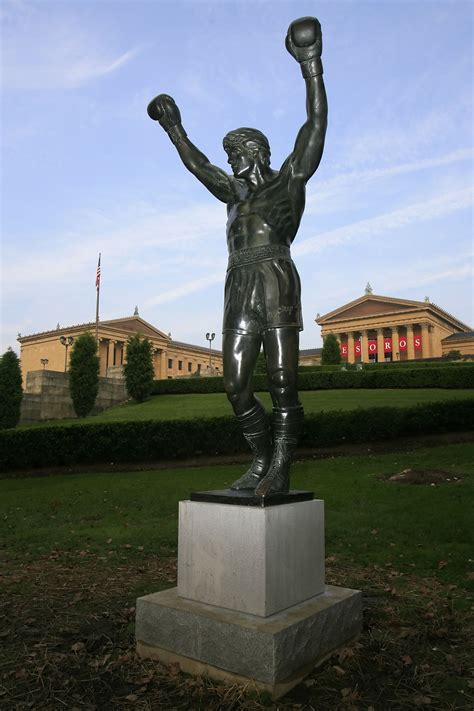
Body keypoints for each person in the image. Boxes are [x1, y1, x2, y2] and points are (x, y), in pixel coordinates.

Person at [147, 16, 327, 496]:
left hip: (275, 274)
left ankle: (282, 464)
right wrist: (173, 126)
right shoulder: (233, 194)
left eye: (234, 153)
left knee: (284, 380)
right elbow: (196, 163)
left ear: (254, 150)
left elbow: (314, 126)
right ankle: (260, 457)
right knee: (235, 384)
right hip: (238, 283)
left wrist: (311, 66)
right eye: (227, 154)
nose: (228, 160)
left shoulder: (288, 181)